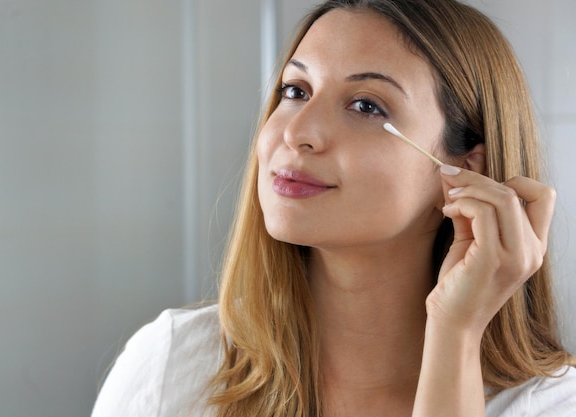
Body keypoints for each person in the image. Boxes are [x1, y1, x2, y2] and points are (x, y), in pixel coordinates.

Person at [91, 0, 576, 416]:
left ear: (465, 170)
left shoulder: (554, 403)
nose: (298, 131)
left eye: (366, 106)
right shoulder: (173, 363)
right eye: (295, 91)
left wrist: (457, 333)